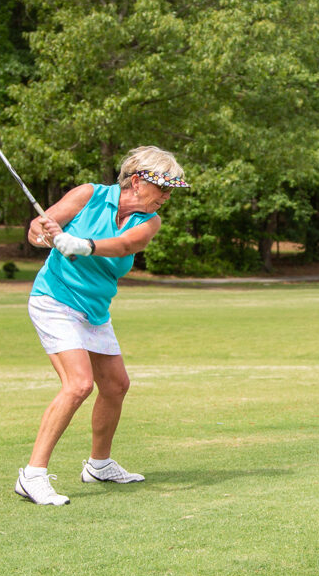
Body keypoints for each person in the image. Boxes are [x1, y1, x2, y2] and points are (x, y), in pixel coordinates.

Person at [14, 145, 189, 505]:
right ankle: (32, 475)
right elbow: (37, 230)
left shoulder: (149, 221)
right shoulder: (88, 195)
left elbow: (124, 245)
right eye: (163, 188)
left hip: (94, 310)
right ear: (137, 182)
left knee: (115, 385)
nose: (167, 197)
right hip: (55, 300)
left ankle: (99, 465)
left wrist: (80, 244)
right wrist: (45, 234)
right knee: (78, 384)